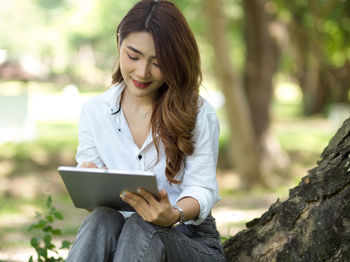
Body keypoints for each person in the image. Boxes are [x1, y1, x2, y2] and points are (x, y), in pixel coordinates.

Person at [66, 0, 225, 261]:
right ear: (119, 43)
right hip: (123, 238)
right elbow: (90, 182)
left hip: (190, 241)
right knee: (101, 218)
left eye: (157, 62)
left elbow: (203, 189)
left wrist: (173, 214)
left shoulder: (197, 112)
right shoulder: (95, 112)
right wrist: (89, 180)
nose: (142, 72)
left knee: (142, 227)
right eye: (133, 56)